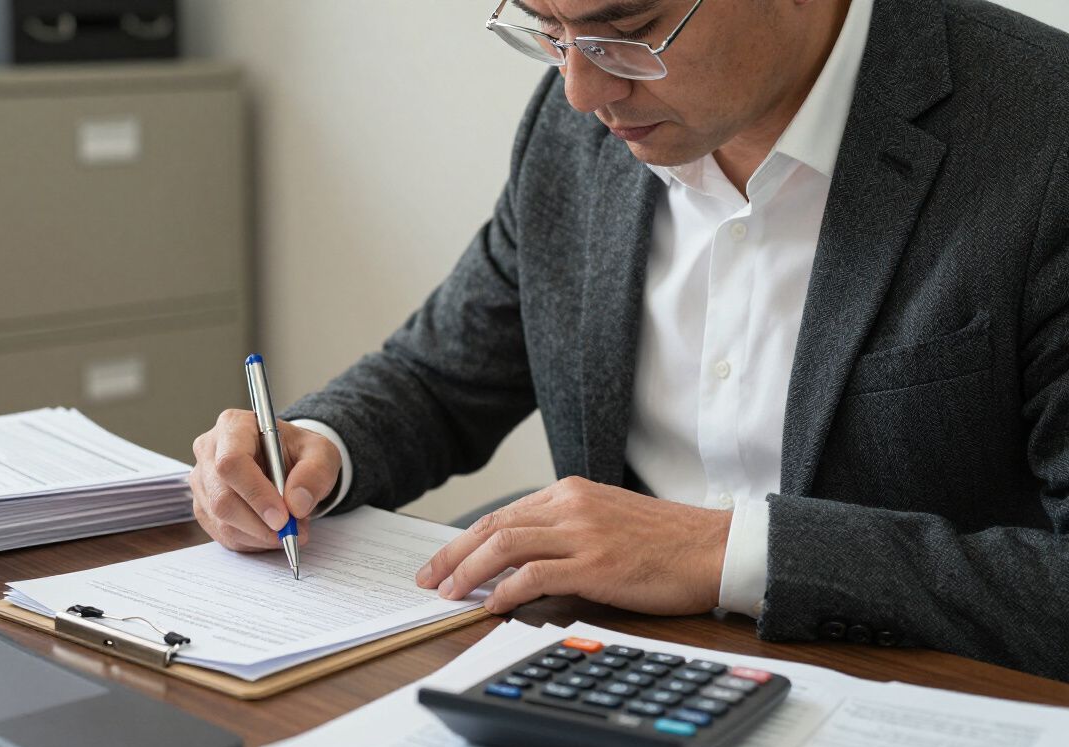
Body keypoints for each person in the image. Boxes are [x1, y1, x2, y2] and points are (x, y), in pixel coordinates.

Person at [188, 0, 1069, 682]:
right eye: (546, 29)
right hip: (612, 673)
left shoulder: (1043, 137)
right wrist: (312, 448)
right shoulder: (579, 124)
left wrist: (718, 552)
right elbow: (442, 373)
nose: (581, 90)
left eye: (629, 29)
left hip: (909, 692)